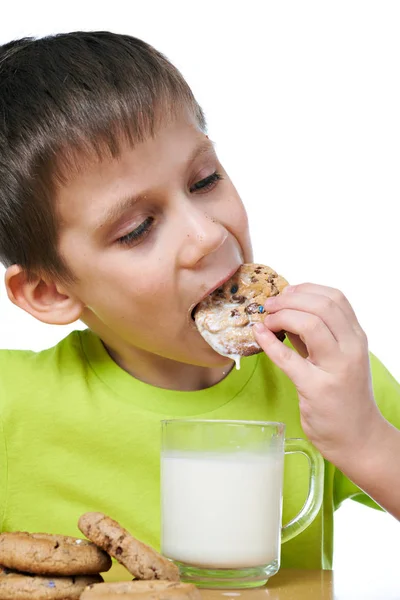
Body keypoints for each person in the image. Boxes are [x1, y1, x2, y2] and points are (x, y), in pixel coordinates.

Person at [0, 31, 398, 571]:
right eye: (137, 229)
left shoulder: (329, 379)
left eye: (205, 180)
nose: (208, 235)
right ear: (51, 291)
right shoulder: (12, 406)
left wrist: (367, 441)